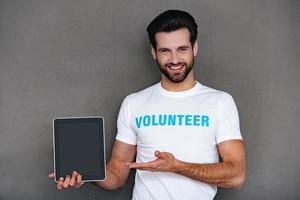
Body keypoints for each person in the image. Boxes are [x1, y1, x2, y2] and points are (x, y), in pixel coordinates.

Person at [49, 9, 246, 200]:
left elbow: (236, 175)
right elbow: (117, 174)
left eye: (182, 49)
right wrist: (87, 174)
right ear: (153, 52)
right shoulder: (134, 103)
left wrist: (177, 166)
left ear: (194, 48)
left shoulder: (220, 102)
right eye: (165, 51)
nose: (175, 59)